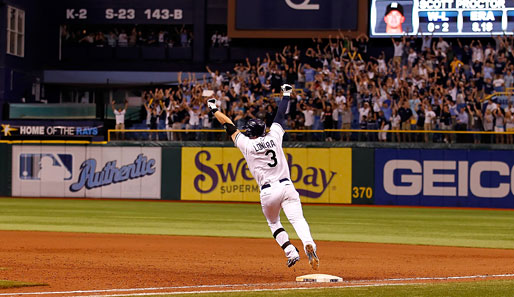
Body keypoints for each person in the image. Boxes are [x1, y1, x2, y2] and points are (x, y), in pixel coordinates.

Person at [206, 84, 319, 270]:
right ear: (264, 130)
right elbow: (280, 115)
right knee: (298, 219)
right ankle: (309, 244)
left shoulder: (246, 144)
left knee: (273, 222)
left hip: (268, 192)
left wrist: (213, 109)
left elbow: (228, 124)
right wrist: (286, 94)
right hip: (287, 187)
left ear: (250, 134)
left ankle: (291, 251)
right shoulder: (274, 136)